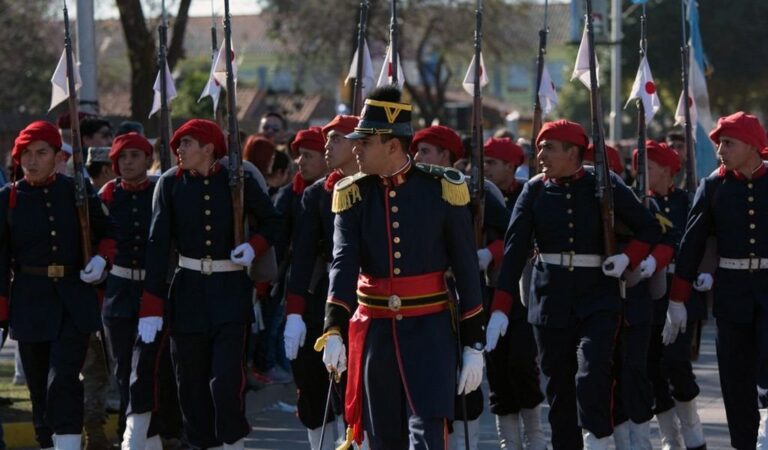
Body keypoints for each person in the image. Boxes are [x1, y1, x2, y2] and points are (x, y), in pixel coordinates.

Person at [317, 86, 485, 449]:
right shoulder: (353, 193)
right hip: (376, 330)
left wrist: (474, 344)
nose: (356, 149)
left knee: (429, 434)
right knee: (383, 439)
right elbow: (343, 261)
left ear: (393, 145)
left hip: (431, 330)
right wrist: (333, 328)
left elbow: (466, 267)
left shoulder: (442, 188)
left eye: (365, 142)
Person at [488, 120, 661, 449]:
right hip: (550, 301)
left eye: (549, 147)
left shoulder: (603, 183)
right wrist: (500, 308)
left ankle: (599, 440)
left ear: (574, 153)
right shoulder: (535, 189)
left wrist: (628, 259)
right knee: (558, 390)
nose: (540, 155)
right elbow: (513, 253)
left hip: (598, 297)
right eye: (539, 147)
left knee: (593, 370)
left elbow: (648, 228)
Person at [137, 119, 282, 450]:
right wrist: (151, 304)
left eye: (187, 143)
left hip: (230, 291)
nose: (179, 150)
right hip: (187, 293)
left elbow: (274, 222)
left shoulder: (239, 180)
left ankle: (232, 442)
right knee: (190, 386)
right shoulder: (171, 184)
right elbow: (158, 245)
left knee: (225, 384)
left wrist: (254, 245)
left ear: (209, 148)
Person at [0, 121, 116, 450]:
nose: (33, 161)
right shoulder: (8, 199)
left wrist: (100, 261)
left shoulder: (76, 191)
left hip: (72, 299)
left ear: (57, 156)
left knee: (64, 378)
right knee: (39, 387)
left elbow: (109, 231)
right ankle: (48, 442)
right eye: (26, 154)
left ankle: (66, 443)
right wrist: (2, 312)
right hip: (29, 301)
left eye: (41, 153)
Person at [666, 111, 768, 449]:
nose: (720, 150)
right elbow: (692, 243)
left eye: (728, 143)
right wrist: (678, 299)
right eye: (719, 143)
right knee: (736, 382)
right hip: (732, 294)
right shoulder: (713, 185)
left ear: (753, 145)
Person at [98, 133, 179, 450]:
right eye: (123, 157)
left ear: (149, 159)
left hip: (154, 288)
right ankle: (147, 439)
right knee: (123, 371)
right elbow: (96, 236)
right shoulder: (106, 194)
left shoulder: (162, 189)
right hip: (118, 290)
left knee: (147, 369)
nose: (128, 162)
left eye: (135, 155)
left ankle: (134, 438)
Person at [284, 115, 359, 448]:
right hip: (329, 297)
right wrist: (294, 314)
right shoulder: (317, 194)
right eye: (327, 139)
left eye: (336, 139)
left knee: (359, 388)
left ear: (358, 145)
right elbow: (302, 257)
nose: (327, 145)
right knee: (315, 383)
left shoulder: (377, 186)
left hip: (370, 298)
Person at [639, 140, 707, 450]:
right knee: (652, 367)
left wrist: (708, 271)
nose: (642, 173)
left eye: (649, 167)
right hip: (650, 293)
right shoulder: (639, 202)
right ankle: (671, 436)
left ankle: (692, 429)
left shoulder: (689, 201)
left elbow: (702, 241)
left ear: (667, 170)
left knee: (677, 361)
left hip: (682, 291)